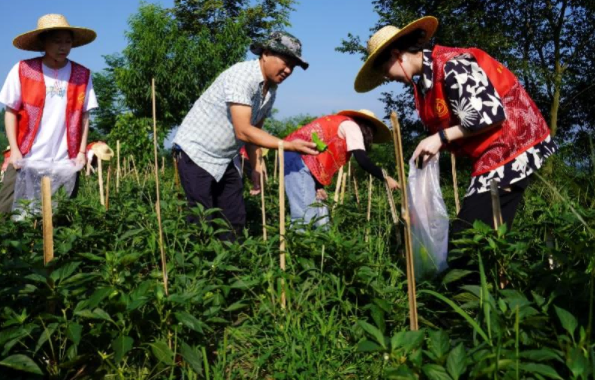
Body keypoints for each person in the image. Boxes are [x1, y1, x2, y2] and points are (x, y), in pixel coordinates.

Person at [354, 16, 557, 236]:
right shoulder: (424, 84)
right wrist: (435, 147)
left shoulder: (452, 64)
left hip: (512, 147)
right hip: (490, 154)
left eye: (384, 68)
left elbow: (490, 114)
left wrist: (439, 138)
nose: (385, 76)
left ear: (396, 55)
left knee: (468, 238)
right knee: (482, 236)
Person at [173, 31, 318, 241]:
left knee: (233, 219)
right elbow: (243, 130)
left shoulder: (270, 90)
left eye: (292, 67)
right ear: (265, 54)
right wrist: (289, 145)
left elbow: (255, 131)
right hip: (196, 152)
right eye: (285, 62)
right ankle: (197, 269)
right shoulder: (243, 76)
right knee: (201, 220)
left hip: (225, 158)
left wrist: (256, 167)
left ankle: (228, 270)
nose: (287, 70)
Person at [0, 14, 98, 216]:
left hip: (64, 161)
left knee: (59, 218)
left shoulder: (81, 75)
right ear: (43, 41)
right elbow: (10, 112)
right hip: (26, 157)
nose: (63, 47)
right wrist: (14, 150)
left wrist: (82, 152)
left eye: (68, 42)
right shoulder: (23, 70)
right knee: (5, 213)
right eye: (57, 41)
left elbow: (85, 115)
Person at [284, 110, 400, 228]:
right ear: (368, 129)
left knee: (319, 216)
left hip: (298, 156)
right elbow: (362, 160)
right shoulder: (352, 127)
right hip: (297, 156)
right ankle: (301, 244)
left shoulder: (343, 125)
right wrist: (385, 177)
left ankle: (315, 245)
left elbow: (320, 158)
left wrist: (318, 186)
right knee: (305, 215)